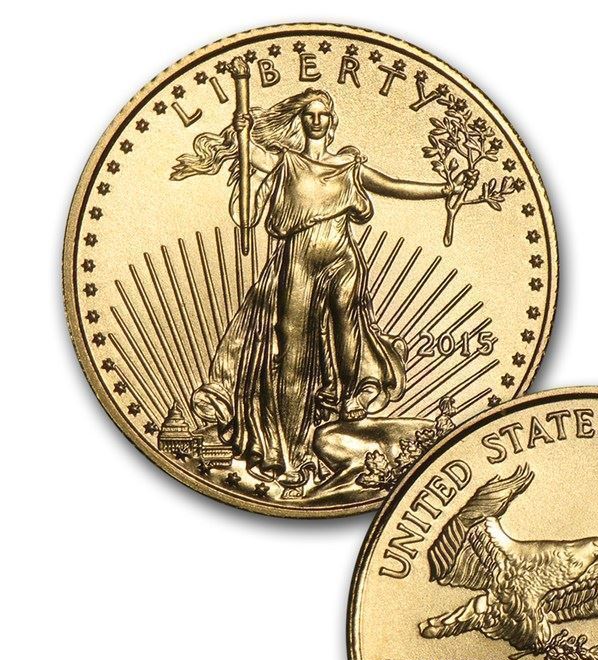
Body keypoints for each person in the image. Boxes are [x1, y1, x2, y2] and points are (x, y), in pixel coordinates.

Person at [171, 88, 474, 485]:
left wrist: (445, 190)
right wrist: (242, 132)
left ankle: (352, 397)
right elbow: (254, 160)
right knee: (292, 351)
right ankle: (287, 448)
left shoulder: (348, 166)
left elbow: (393, 185)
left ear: (332, 121)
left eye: (323, 114)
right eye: (310, 114)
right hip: (298, 261)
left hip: (342, 257)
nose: (316, 120)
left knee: (348, 327)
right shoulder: (286, 162)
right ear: (301, 120)